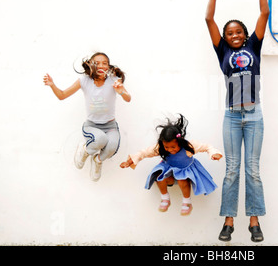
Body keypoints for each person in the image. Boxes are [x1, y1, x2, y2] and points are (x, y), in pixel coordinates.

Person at [205, 0, 269, 242]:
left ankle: (254, 221)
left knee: (252, 170)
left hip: (253, 114)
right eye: (229, 32)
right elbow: (208, 19)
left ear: (244, 34)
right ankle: (229, 221)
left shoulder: (253, 46)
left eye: (237, 32)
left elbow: (264, 13)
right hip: (232, 115)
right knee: (232, 170)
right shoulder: (222, 51)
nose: (233, 35)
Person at [43, 52, 131, 181]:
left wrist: (121, 91)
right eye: (97, 63)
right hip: (92, 126)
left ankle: (97, 160)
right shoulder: (84, 81)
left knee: (112, 147)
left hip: (110, 126)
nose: (101, 65)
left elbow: (128, 98)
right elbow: (62, 95)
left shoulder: (114, 80)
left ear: (108, 66)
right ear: (90, 65)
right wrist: (52, 85)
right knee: (100, 139)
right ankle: (84, 150)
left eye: (104, 63)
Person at [120, 114, 222, 216]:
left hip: (185, 172)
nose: (170, 150)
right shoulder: (160, 147)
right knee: (159, 176)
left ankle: (187, 202)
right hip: (170, 171)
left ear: (179, 141)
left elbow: (207, 147)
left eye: (173, 147)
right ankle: (165, 199)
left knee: (182, 179)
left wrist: (213, 153)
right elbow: (144, 153)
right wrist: (129, 162)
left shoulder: (188, 146)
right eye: (167, 147)